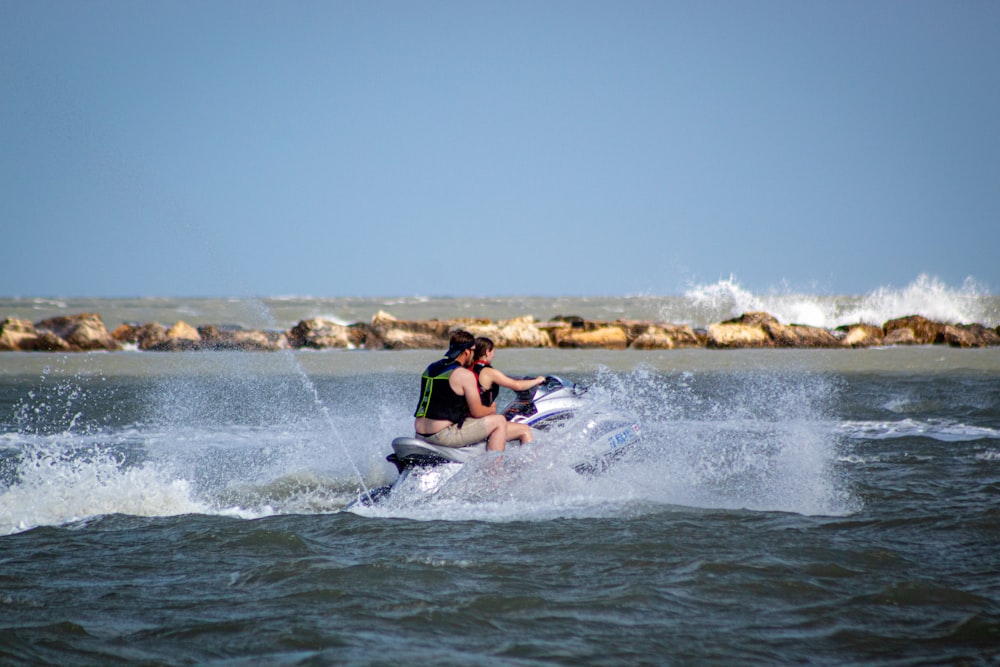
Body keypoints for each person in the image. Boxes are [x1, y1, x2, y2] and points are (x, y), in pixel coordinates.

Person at [413, 330, 509, 452]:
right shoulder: (464, 375)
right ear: (467, 352)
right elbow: (477, 412)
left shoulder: (431, 368)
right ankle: (494, 468)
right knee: (499, 421)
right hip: (441, 436)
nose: (474, 355)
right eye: (473, 351)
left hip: (419, 433)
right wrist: (492, 409)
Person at [472, 336, 546, 445]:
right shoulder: (488, 372)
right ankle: (529, 461)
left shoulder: (468, 368)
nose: (494, 355)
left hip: (471, 419)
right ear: (487, 352)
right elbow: (517, 386)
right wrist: (537, 380)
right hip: (482, 423)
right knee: (524, 429)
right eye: (493, 352)